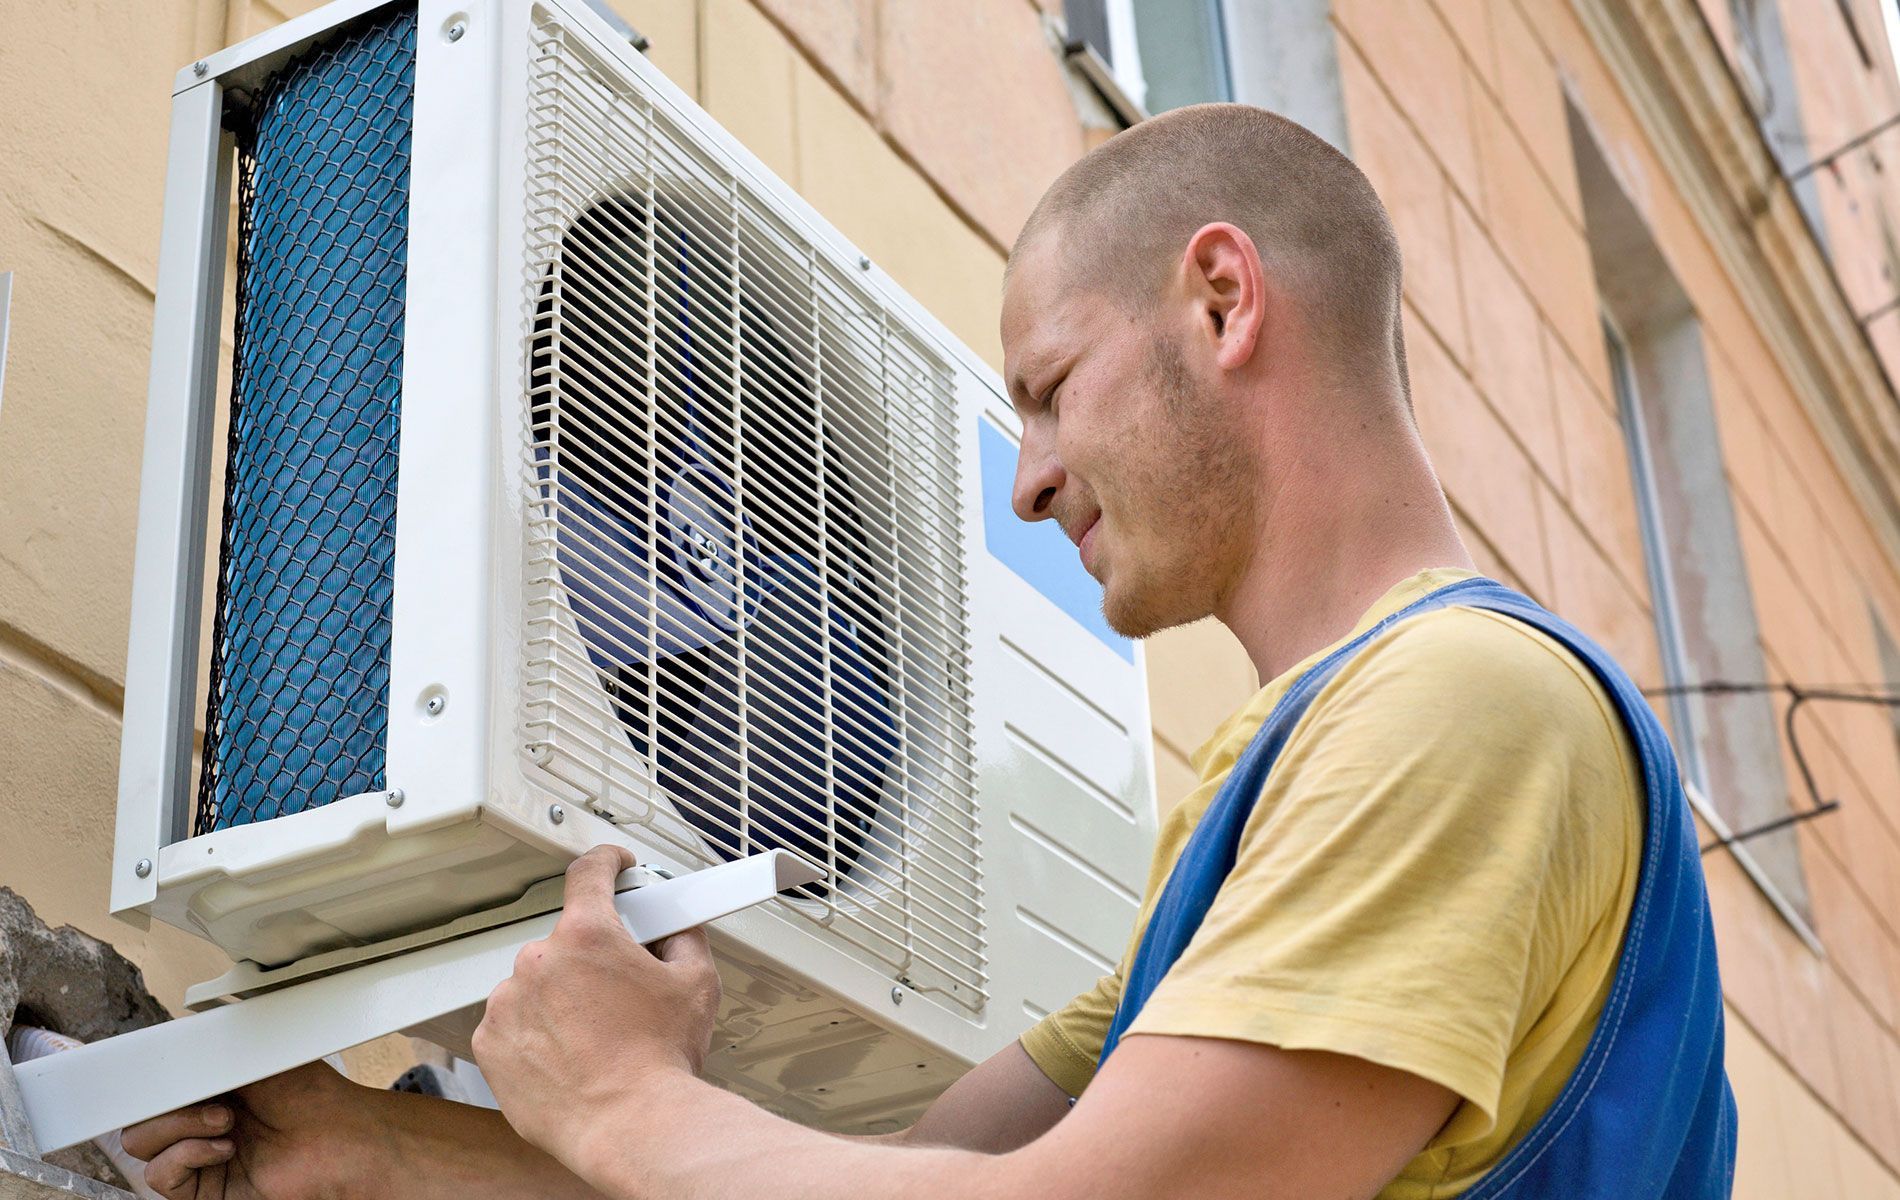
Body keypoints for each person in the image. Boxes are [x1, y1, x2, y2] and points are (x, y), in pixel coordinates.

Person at [124, 103, 1735, 1199]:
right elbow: (916, 1181)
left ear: (1222, 302)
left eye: (1049, 387)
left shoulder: (1463, 708)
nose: (1026, 481)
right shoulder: (1273, 799)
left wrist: (627, 1099)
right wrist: (361, 1149)